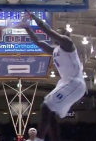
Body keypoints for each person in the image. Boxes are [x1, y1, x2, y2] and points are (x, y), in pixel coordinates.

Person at [20, 13, 86, 141]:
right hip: (67, 83)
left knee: (46, 106)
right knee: (50, 113)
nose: (57, 35)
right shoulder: (55, 50)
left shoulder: (68, 43)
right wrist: (26, 27)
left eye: (60, 34)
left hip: (75, 83)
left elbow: (48, 31)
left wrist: (34, 18)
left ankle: (38, 138)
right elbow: (38, 42)